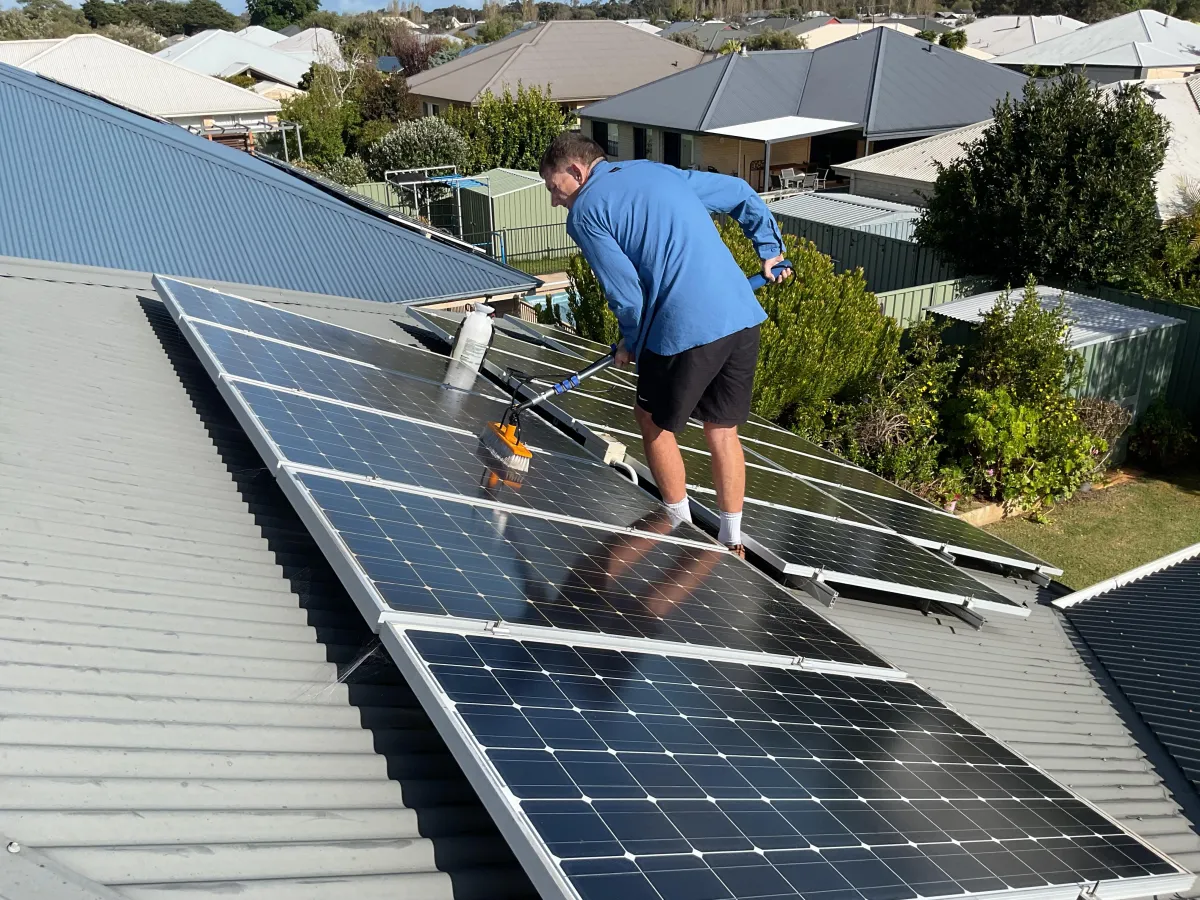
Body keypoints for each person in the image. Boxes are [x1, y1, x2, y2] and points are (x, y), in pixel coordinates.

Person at [540, 132, 790, 558]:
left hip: (686, 328)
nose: (554, 199)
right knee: (722, 430)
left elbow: (627, 294)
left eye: (553, 186)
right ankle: (731, 541)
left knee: (652, 420)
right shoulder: (656, 172)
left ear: (577, 172)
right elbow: (739, 193)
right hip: (741, 317)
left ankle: (679, 524)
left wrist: (633, 342)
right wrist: (769, 248)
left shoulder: (585, 212)